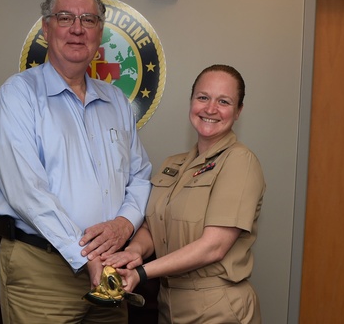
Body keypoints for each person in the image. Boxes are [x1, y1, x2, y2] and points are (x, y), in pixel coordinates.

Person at [0, 0, 152, 324]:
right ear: (47, 29)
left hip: (109, 267)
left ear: (100, 33)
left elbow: (140, 175)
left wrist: (124, 224)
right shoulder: (18, 96)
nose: (77, 29)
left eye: (88, 20)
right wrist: (86, 254)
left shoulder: (117, 101)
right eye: (65, 18)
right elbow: (27, 191)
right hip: (42, 269)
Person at [102, 64, 266, 324]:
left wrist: (142, 273)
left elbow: (213, 247)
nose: (210, 109)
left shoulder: (239, 162)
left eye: (223, 101)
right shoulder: (173, 164)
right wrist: (134, 251)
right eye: (203, 97)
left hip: (217, 306)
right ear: (191, 102)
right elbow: (153, 226)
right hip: (169, 304)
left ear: (238, 111)